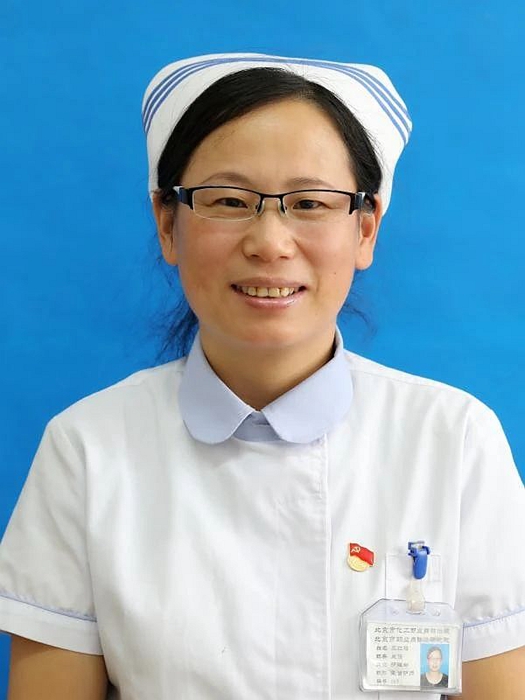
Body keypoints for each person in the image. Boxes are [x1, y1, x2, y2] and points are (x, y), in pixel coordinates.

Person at [1, 52, 524, 700]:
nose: (270, 241)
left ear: (365, 229)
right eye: (228, 200)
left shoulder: (453, 441)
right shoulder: (87, 450)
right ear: (167, 224)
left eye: (309, 202)